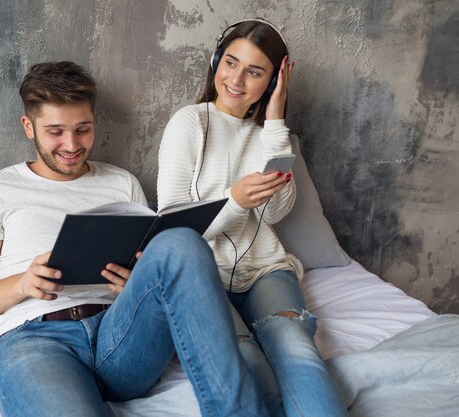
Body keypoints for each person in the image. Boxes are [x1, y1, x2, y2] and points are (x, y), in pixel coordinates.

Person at [0, 61, 268, 417]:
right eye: (55, 131)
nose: (71, 145)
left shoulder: (121, 183)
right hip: (39, 341)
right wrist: (22, 285)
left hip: (120, 334)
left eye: (82, 129)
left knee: (182, 242)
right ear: (29, 127)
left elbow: (146, 266)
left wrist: (134, 284)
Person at [157, 19, 347, 417]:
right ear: (215, 62)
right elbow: (172, 229)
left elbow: (276, 211)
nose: (237, 79)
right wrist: (234, 200)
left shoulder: (270, 134)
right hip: (201, 275)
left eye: (255, 71)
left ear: (274, 80)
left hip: (266, 270)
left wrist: (275, 121)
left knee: (298, 350)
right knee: (249, 362)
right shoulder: (188, 123)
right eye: (230, 62)